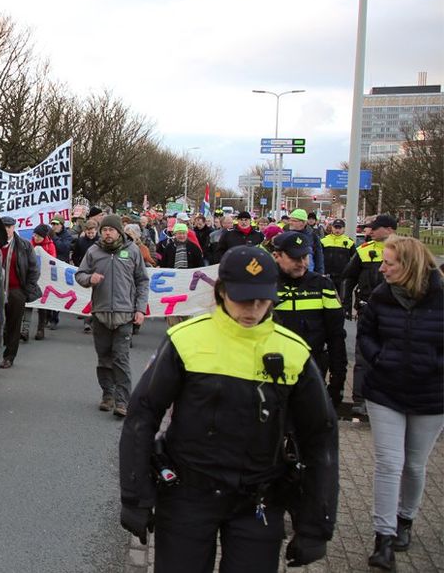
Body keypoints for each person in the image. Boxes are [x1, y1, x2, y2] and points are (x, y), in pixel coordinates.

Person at [119, 246, 339, 572]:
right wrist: (136, 496)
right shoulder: (185, 340)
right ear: (221, 292)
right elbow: (143, 415)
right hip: (187, 495)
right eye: (242, 299)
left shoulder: (293, 352)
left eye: (262, 300)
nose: (252, 309)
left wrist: (316, 524)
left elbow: (320, 439)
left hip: (258, 501)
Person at [357, 235, 443, 569]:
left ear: (407, 266)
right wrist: (380, 358)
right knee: (389, 463)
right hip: (385, 391)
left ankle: (406, 518)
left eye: (388, 263)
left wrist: (434, 364)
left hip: (431, 394)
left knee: (414, 464)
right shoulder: (381, 296)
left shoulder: (440, 295)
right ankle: (384, 537)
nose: (382, 268)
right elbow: (365, 334)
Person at [75, 214, 149, 417]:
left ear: (119, 232)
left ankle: (122, 401)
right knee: (104, 359)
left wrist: (140, 309)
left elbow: (142, 281)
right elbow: (79, 275)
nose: (107, 233)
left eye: (111, 230)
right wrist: (91, 278)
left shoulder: (132, 251)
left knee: (121, 359)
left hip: (125, 315)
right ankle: (108, 395)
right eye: (104, 230)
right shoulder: (93, 251)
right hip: (100, 314)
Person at [270, 232, 348, 409]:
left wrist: (338, 380)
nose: (302, 263)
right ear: (277, 256)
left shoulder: (323, 286)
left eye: (305, 257)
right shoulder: (265, 285)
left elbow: (336, 335)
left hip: (311, 371)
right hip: (272, 373)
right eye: (295, 258)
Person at [343, 214, 396, 416]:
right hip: (367, 309)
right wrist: (346, 304)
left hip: (396, 312)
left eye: (374, 228)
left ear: (389, 230)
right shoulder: (364, 251)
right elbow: (349, 277)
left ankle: (387, 399)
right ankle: (360, 399)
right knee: (363, 355)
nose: (369, 231)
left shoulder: (406, 250)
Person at [0, 216, 40, 369]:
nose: (6, 230)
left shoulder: (24, 246)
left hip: (16, 291)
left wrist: (26, 290)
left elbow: (33, 269)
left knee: (13, 325)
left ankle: (9, 356)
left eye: (9, 227)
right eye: (3, 227)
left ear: (14, 228)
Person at [25, 224, 56, 341]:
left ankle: (40, 329)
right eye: (35, 235)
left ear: (44, 237)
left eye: (38, 236)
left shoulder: (50, 245)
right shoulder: (29, 244)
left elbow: (53, 261)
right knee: (28, 303)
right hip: (31, 278)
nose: (36, 237)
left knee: (42, 305)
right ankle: (25, 329)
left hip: (44, 278)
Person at [285, 209, 325, 274]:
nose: (290, 222)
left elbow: (318, 257)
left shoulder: (313, 236)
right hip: (289, 274)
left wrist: (320, 274)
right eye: (290, 220)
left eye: (294, 221)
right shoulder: (285, 235)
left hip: (307, 275)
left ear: (303, 223)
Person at [320, 219, 356, 289]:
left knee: (341, 298)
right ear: (332, 228)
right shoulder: (323, 241)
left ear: (344, 229)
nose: (337, 230)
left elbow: (354, 260)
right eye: (335, 227)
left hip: (342, 276)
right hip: (327, 275)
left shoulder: (349, 242)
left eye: (340, 228)